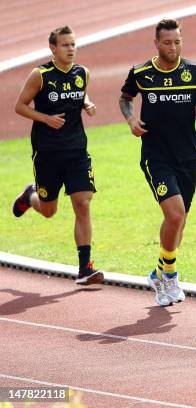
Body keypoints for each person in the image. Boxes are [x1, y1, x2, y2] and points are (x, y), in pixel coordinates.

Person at [119, 19, 196, 306]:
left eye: (177, 42)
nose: (172, 47)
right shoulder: (141, 73)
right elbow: (125, 98)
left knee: (179, 220)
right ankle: (169, 278)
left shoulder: (195, 72)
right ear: (156, 43)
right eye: (167, 42)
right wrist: (131, 118)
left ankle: (158, 271)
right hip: (156, 157)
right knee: (174, 215)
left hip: (188, 156)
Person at [13, 26, 103, 285]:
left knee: (83, 203)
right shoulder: (39, 75)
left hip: (77, 151)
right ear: (53, 48)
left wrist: (86, 103)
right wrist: (45, 119)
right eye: (65, 45)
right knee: (49, 210)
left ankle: (85, 268)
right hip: (47, 153)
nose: (71, 49)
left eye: (73, 44)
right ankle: (30, 196)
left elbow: (78, 91)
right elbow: (19, 106)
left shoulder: (83, 73)